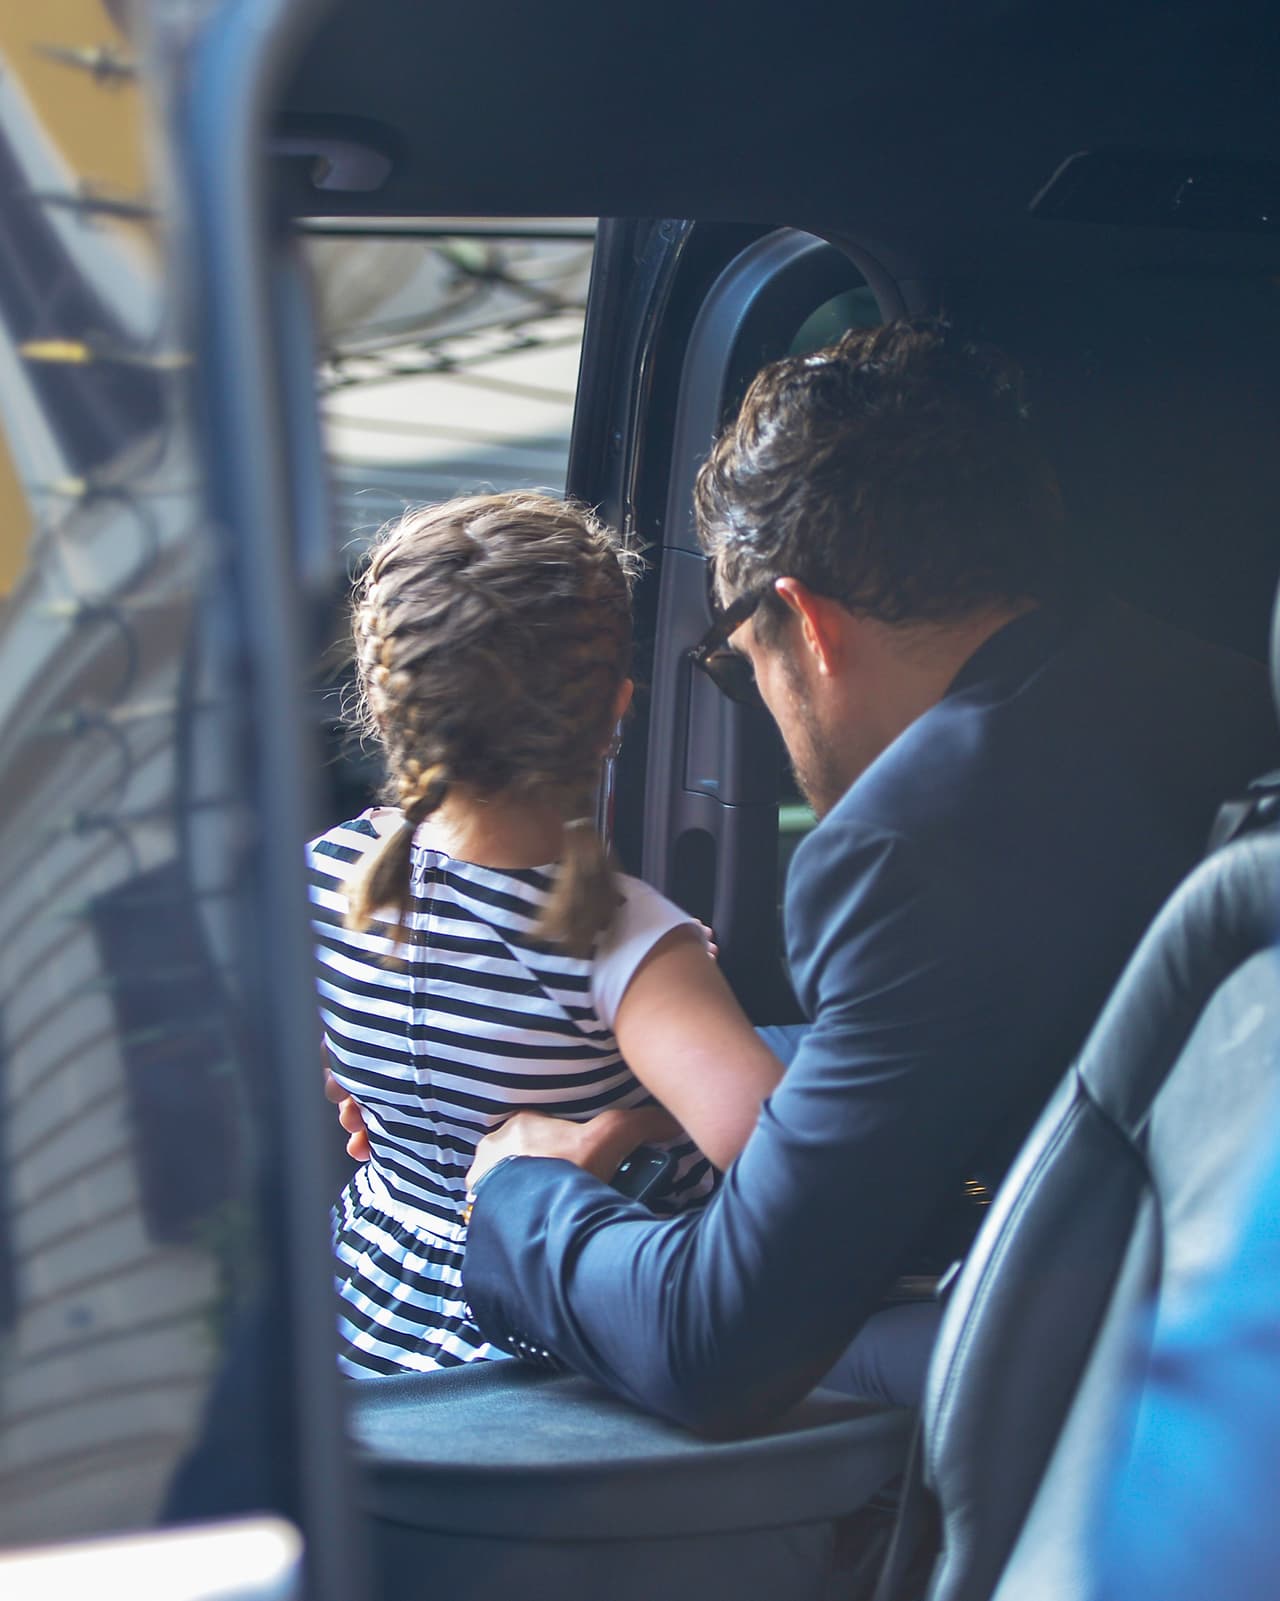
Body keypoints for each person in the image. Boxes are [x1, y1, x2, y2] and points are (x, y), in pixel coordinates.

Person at [448, 319, 1277, 1433]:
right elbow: (980, 1020)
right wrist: (668, 1091)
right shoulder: (1210, 690)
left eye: (743, 669)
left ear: (804, 621)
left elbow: (716, 1343)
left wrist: (519, 1188)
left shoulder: (901, 847)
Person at [307, 492, 782, 1377]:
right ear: (615, 710)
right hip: (545, 1347)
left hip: (366, 1321)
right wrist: (630, 1127)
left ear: (390, 698)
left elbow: (343, 1077)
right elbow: (799, 1176)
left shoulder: (326, 877)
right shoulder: (625, 942)